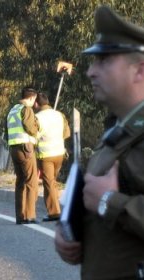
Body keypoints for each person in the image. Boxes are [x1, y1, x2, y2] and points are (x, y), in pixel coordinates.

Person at [54, 5, 144, 279]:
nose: (91, 72)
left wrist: (108, 201)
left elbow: (108, 201)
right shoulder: (116, 131)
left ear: (140, 70)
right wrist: (70, 233)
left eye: (103, 61)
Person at [4, 87, 40, 224]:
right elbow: (30, 128)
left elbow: (6, 130)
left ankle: (20, 216)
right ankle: (30, 215)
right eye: (34, 100)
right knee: (31, 182)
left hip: (14, 148)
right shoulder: (27, 109)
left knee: (20, 182)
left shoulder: (13, 110)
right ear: (31, 98)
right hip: (26, 148)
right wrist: (37, 129)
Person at [34, 92, 70, 222]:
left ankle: (54, 213)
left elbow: (34, 136)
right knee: (53, 181)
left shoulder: (37, 117)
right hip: (59, 153)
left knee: (48, 183)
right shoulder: (59, 115)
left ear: (36, 104)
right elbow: (66, 133)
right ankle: (57, 208)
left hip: (46, 155)